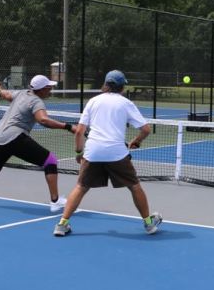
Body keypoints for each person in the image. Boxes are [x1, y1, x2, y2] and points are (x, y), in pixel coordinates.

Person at [53, 70, 162, 237]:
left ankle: (62, 225)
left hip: (93, 152)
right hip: (117, 154)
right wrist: (137, 141)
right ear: (122, 86)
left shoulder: (93, 101)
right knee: (134, 186)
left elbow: (79, 132)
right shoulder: (126, 103)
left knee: (81, 187)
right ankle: (149, 224)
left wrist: (79, 152)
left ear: (106, 84)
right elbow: (146, 129)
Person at [0, 75, 76, 210]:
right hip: (14, 137)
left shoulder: (21, 93)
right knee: (50, 161)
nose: (51, 90)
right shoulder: (37, 102)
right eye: (49, 88)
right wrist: (69, 127)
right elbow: (43, 120)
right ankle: (55, 202)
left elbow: (6, 95)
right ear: (42, 89)